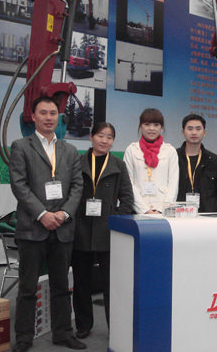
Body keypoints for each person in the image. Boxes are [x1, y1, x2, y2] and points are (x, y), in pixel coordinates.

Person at [8, 97, 85, 352]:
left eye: (53, 113)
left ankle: (63, 333)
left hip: (62, 228)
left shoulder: (69, 150)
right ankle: (24, 337)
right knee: (28, 287)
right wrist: (42, 214)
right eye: (43, 113)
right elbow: (19, 185)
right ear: (33, 116)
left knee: (61, 286)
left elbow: (77, 186)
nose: (49, 117)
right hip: (32, 228)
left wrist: (64, 213)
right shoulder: (21, 146)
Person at [71, 122, 135, 340]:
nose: (104, 140)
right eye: (100, 135)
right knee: (81, 281)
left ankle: (114, 327)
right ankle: (83, 325)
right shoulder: (77, 162)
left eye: (109, 137)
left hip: (107, 231)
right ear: (91, 137)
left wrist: (113, 217)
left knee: (111, 284)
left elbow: (127, 199)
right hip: (80, 229)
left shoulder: (118, 165)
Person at [123, 108, 179, 214]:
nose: (151, 128)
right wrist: (144, 210)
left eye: (156, 125)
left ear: (161, 128)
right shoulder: (132, 150)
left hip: (162, 212)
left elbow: (173, 184)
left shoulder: (170, 151)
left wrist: (161, 210)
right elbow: (128, 182)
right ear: (140, 126)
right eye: (147, 124)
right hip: (137, 211)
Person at [176, 114, 217, 212]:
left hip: (207, 216)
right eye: (190, 129)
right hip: (179, 214)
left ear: (204, 132)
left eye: (198, 129)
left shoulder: (214, 160)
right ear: (183, 132)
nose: (194, 132)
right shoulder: (173, 157)